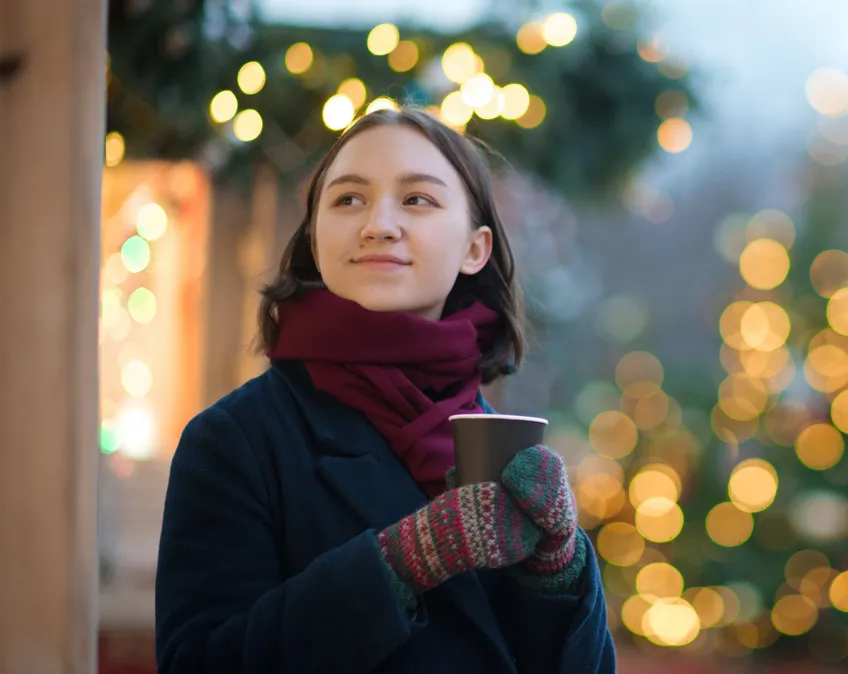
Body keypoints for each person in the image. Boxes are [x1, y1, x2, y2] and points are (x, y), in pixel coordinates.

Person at [154, 108, 616, 674]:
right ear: (316, 240)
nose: (378, 224)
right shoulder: (234, 441)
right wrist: (401, 561)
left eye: (417, 199)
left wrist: (559, 573)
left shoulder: (496, 440)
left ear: (477, 248)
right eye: (348, 200)